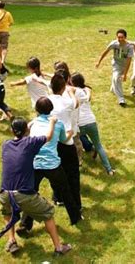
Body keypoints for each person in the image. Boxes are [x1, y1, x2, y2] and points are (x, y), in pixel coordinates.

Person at [0, 117, 72, 256]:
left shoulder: (5, 144)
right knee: (48, 213)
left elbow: (22, 131)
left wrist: (32, 122)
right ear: (28, 130)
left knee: (8, 212)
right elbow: (49, 136)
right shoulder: (31, 143)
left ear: (11, 130)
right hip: (23, 194)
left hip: (4, 193)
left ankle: (12, 240)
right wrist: (51, 122)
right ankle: (58, 248)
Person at [19, 97, 82, 232]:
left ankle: (25, 224)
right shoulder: (57, 124)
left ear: (36, 110)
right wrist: (70, 133)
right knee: (66, 191)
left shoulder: (33, 123)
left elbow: (26, 135)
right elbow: (64, 140)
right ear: (51, 109)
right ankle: (75, 217)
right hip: (52, 165)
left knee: (31, 194)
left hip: (36, 164)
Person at [47, 73, 82, 211]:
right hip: (66, 142)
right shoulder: (66, 102)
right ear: (62, 88)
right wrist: (72, 92)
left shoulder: (46, 100)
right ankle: (76, 206)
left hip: (51, 142)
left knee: (55, 171)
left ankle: (58, 197)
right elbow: (76, 103)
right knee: (72, 174)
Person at [71, 73, 115, 175]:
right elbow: (88, 95)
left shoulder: (71, 91)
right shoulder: (86, 90)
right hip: (91, 121)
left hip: (80, 124)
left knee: (73, 143)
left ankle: (78, 164)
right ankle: (109, 170)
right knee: (99, 145)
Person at [95, 29, 134, 107]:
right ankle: (121, 98)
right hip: (116, 64)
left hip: (124, 65)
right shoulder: (114, 43)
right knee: (117, 78)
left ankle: (113, 88)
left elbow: (129, 61)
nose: (120, 39)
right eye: (118, 37)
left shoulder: (129, 46)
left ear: (125, 37)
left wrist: (125, 74)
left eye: (122, 37)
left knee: (116, 78)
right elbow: (105, 52)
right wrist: (99, 61)